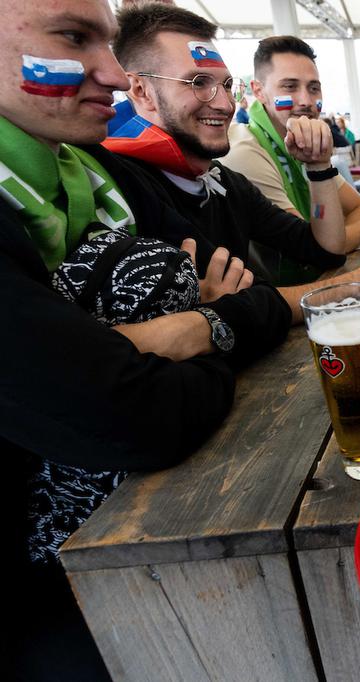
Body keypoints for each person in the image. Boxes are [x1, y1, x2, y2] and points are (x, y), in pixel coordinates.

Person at [0, 1, 288, 677]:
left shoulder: (90, 175)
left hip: (128, 535)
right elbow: (135, 414)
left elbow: (306, 253)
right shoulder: (125, 171)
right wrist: (207, 327)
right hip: (45, 604)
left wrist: (182, 330)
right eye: (73, 38)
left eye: (225, 86)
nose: (109, 71)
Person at [110, 4, 360, 322]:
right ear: (141, 90)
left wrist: (318, 167)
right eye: (198, 83)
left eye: (227, 85)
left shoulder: (224, 180)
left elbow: (322, 249)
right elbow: (245, 308)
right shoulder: (122, 185)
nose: (224, 104)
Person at [221, 36, 360, 279]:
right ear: (258, 91)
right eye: (290, 86)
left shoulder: (302, 142)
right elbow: (318, 249)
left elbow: (359, 208)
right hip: (282, 305)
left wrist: (341, 236)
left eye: (313, 88)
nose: (306, 101)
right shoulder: (246, 150)